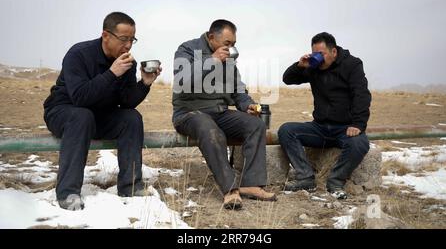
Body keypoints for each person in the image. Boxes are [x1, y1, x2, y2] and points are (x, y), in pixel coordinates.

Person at [43, 12, 161, 210]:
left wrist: (145, 84)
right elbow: (80, 98)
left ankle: (130, 186)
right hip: (64, 112)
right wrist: (112, 73)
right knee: (82, 115)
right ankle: (68, 192)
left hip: (98, 116)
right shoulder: (79, 54)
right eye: (124, 39)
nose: (129, 45)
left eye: (132, 39)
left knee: (131, 118)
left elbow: (127, 102)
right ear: (106, 35)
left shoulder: (127, 63)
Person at [172, 19, 276, 210]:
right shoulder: (187, 49)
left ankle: (251, 183)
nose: (231, 48)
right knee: (209, 128)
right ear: (212, 37)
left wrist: (248, 105)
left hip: (219, 112)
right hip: (189, 114)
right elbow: (181, 80)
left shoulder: (228, 59)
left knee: (256, 125)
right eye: (227, 43)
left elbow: (237, 90)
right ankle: (230, 190)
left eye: (233, 44)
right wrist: (211, 60)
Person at [278, 32, 371, 199]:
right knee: (286, 130)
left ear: (334, 52)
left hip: (344, 128)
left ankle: (335, 181)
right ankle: (306, 178)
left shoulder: (352, 64)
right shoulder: (313, 67)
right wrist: (300, 66)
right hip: (320, 128)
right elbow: (287, 79)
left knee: (359, 143)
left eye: (321, 54)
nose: (317, 58)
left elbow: (361, 95)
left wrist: (357, 124)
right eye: (315, 54)